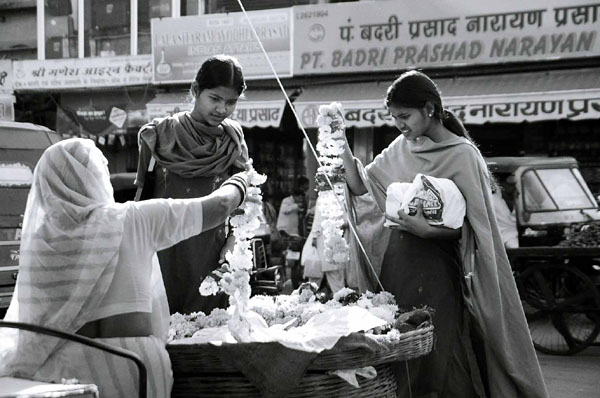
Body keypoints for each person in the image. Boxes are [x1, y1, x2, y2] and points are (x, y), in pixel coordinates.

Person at [340, 71, 548, 398]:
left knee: (437, 355)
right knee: (399, 351)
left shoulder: (463, 154)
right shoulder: (400, 147)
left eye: (405, 116)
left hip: (439, 272)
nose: (399, 125)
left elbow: (477, 228)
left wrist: (431, 231)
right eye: (393, 118)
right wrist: (341, 151)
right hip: (395, 268)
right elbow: (365, 190)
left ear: (429, 109)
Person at [0, 138, 249, 397]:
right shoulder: (133, 219)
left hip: (64, 372)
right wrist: (241, 182)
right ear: (96, 177)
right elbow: (219, 206)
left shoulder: (41, 243)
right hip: (133, 366)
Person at [135, 55, 249, 315]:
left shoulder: (234, 141)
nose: (222, 109)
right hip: (163, 254)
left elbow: (245, 203)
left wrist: (233, 242)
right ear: (196, 91)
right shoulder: (158, 136)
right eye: (215, 99)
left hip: (212, 256)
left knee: (207, 336)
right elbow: (140, 204)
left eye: (230, 102)